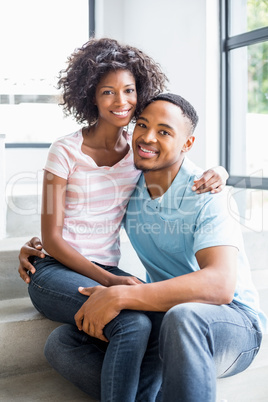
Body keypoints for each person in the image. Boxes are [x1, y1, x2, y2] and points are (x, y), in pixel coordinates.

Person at [18, 38, 228, 402]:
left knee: (136, 323)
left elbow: (177, 158)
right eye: (108, 92)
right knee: (132, 322)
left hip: (105, 267)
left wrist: (222, 172)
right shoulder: (64, 150)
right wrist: (111, 281)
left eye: (129, 90)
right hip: (55, 271)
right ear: (91, 96)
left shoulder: (139, 151)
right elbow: (51, 238)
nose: (121, 102)